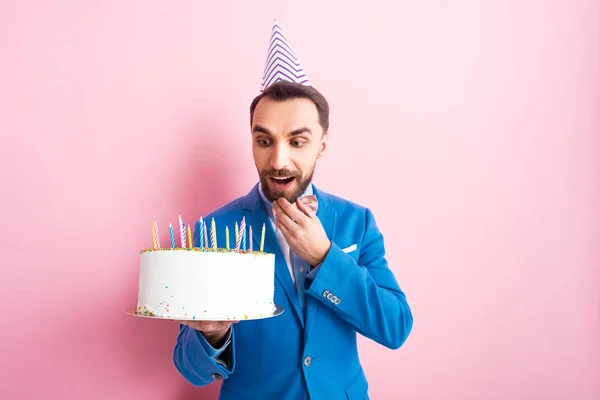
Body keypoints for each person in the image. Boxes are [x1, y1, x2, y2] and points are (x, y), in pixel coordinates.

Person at [173, 21, 413, 400]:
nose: (278, 160)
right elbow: (192, 371)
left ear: (322, 144)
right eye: (264, 140)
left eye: (297, 141)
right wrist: (212, 334)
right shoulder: (213, 230)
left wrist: (324, 256)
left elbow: (395, 327)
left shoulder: (357, 223)